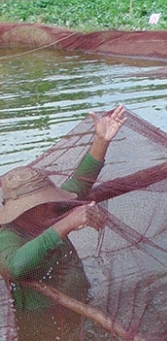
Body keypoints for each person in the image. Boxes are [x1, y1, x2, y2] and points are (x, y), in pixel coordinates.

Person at [0, 105, 127, 313]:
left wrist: (102, 140)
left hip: (81, 306)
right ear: (23, 210)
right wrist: (67, 223)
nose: (53, 204)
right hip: (42, 320)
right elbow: (15, 267)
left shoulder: (49, 212)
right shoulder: (7, 236)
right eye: (43, 202)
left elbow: (79, 186)